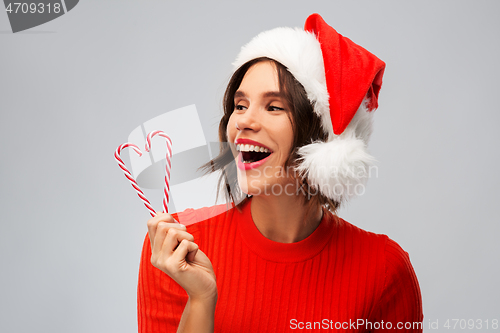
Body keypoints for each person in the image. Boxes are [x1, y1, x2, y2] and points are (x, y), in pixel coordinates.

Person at [137, 13, 423, 333]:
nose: (243, 121)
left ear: (322, 137)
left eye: (274, 107)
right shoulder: (176, 246)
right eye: (240, 105)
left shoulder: (384, 270)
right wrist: (201, 299)